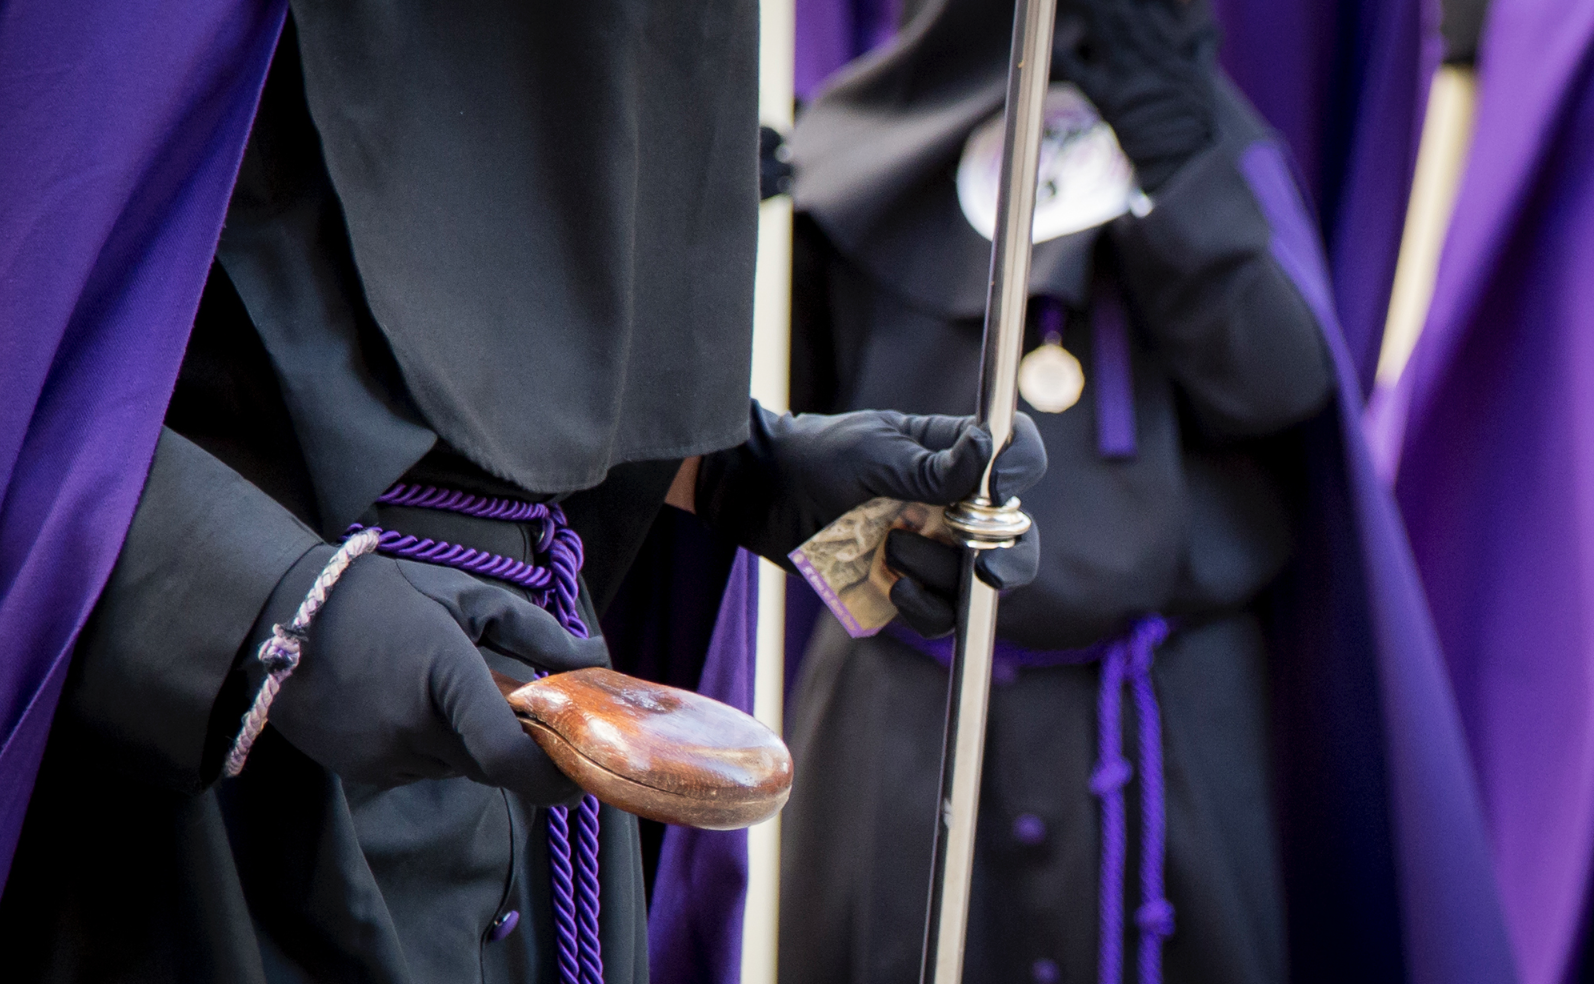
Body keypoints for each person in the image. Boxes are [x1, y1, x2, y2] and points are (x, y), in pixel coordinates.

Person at [0, 4, 1048, 983]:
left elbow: (479, 265)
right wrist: (243, 608)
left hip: (541, 778)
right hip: (203, 790)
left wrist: (718, 464)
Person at [774, 1, 1508, 982]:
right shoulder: (857, 145)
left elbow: (1277, 384)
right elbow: (788, 434)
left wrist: (1175, 166)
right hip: (908, 709)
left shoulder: (1193, 125)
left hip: (1163, 715)